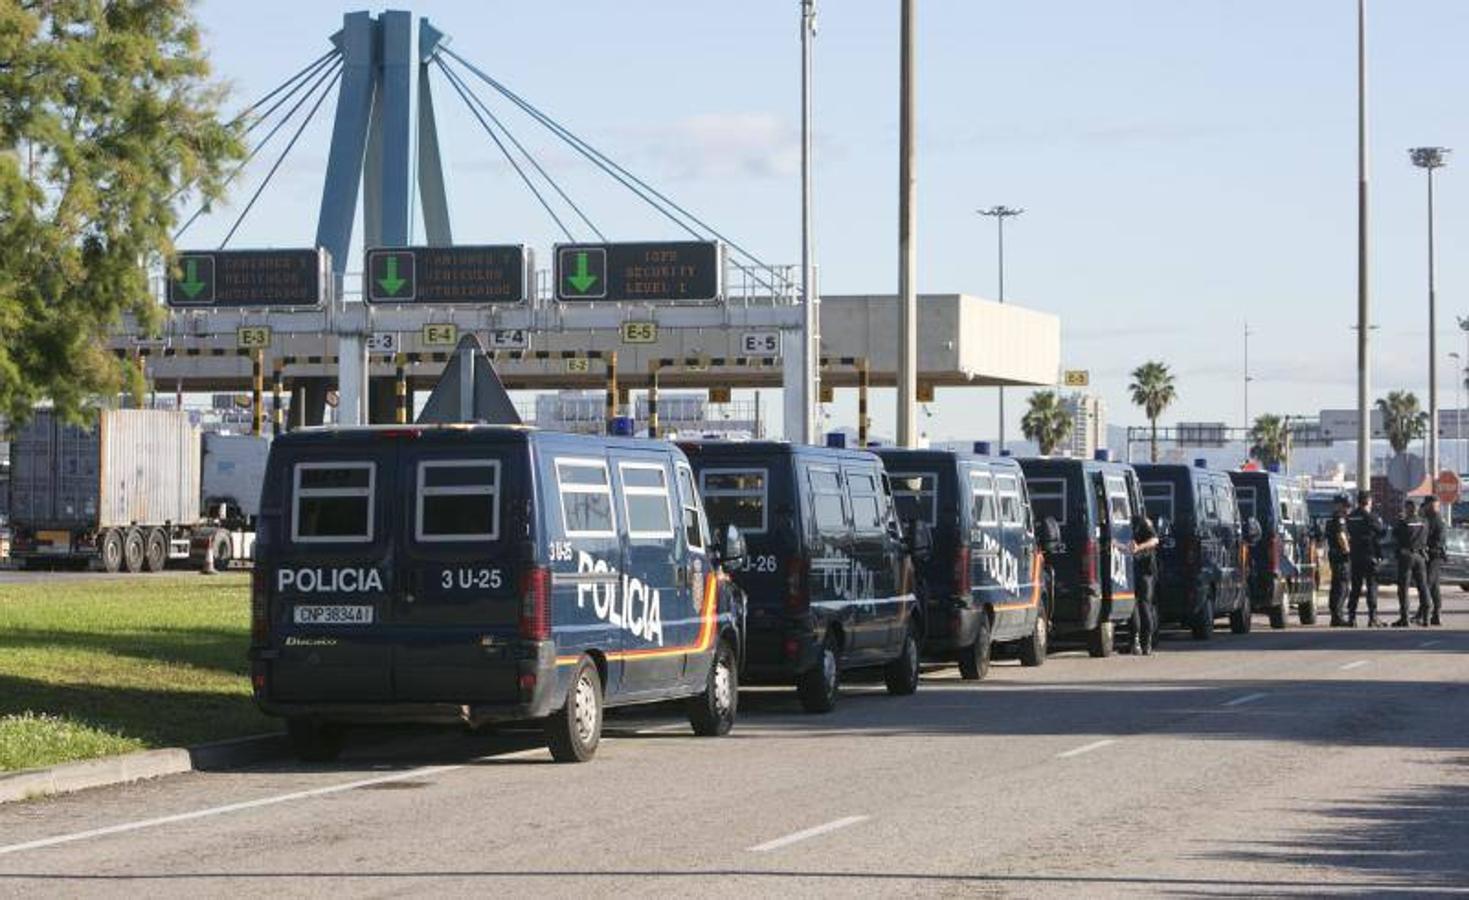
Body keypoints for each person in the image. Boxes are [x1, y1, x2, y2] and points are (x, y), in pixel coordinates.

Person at [1346, 490, 1385, 627]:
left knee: (1355, 588)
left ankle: (1351, 617)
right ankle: (1372, 618)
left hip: (1355, 555)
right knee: (1371, 587)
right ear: (1368, 501)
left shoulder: (1350, 517)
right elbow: (1381, 532)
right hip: (1369, 555)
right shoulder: (1370, 517)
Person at [1391, 500, 1431, 628]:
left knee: (1403, 588)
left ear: (1408, 509)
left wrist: (1399, 521)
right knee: (1423, 587)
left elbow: (1395, 535)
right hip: (1420, 556)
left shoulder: (1403, 522)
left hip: (1406, 556)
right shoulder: (1425, 522)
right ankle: (1426, 618)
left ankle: (1405, 618)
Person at [1128, 512, 1161, 655]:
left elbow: (1154, 540)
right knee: (1133, 606)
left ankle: (1146, 642)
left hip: (1145, 571)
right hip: (1129, 571)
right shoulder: (1120, 524)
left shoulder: (1141, 521)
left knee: (1144, 605)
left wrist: (1138, 547)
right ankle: (1135, 642)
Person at [1325, 493, 1352, 626]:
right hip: (1341, 555)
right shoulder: (1339, 518)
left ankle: (1336, 615)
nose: (1348, 509)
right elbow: (1341, 535)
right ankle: (1337, 616)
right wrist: (1347, 551)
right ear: (1340, 505)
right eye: (1346, 506)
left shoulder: (1333, 518)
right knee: (1342, 586)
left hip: (1334, 554)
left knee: (1337, 584)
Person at [1420, 495, 1446, 626]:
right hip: (1429, 555)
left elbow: (1438, 540)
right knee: (1434, 586)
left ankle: (1422, 613)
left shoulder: (1437, 520)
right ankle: (1436, 614)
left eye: (1429, 505)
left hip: (1434, 556)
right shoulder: (1427, 518)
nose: (1426, 507)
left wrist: (1427, 546)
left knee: (1427, 584)